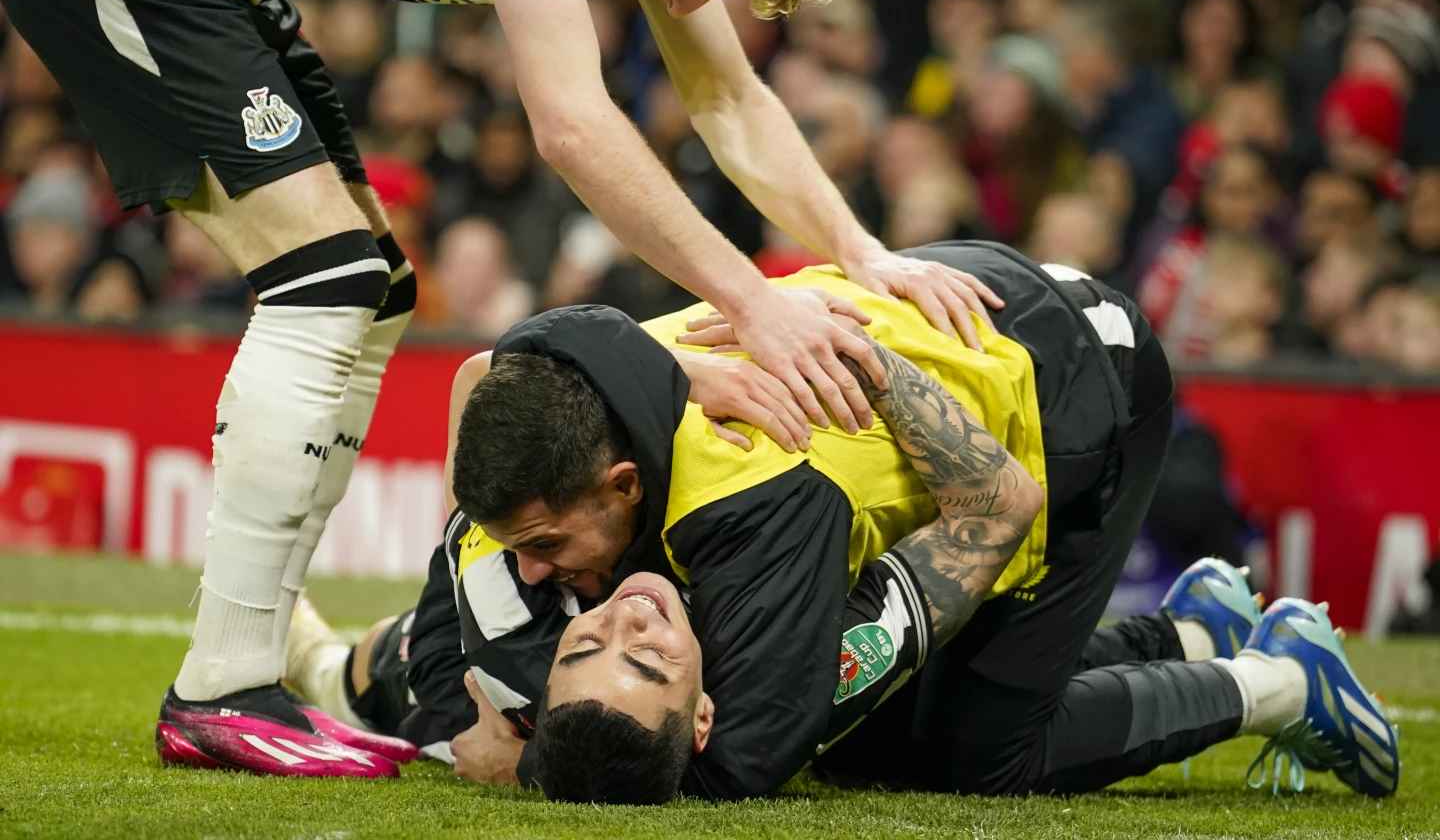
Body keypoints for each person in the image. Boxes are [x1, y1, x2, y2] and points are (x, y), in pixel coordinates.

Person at [0, 0, 1002, 777]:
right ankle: (224, 686)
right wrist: (753, 302)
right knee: (330, 276)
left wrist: (860, 248)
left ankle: (252, 670)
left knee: (373, 288)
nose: (690, 3)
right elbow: (569, 126)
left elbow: (729, 97)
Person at [286, 248, 1396, 802]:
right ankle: (1192, 633)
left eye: (552, 556)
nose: (598, 607)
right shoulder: (554, 430)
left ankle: (1282, 680)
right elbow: (481, 378)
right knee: (881, 718)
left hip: (1062, 387)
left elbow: (1000, 502)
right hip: (944, 294)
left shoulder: (760, 559)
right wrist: (473, 707)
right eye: (602, 645)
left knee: (972, 749)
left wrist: (496, 731)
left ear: (623, 483)